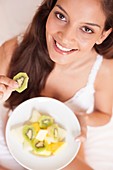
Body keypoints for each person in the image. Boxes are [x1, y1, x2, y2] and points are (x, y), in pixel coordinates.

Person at [0, 0, 113, 169]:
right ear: (49, 10)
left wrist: (83, 118)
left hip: (63, 151)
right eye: (61, 16)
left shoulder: (103, 70)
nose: (66, 37)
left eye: (87, 29)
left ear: (103, 35)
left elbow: (104, 114)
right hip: (11, 145)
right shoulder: (12, 50)